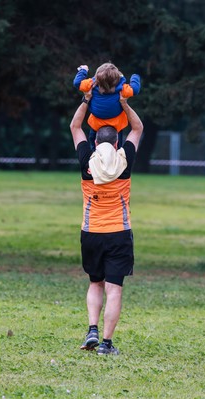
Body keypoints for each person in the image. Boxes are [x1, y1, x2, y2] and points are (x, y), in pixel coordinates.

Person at [69, 86, 144, 355]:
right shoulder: (124, 159)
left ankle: (92, 329)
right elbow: (137, 129)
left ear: (95, 143)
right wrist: (123, 103)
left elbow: (75, 126)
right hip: (119, 233)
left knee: (95, 283)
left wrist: (87, 100)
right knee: (115, 289)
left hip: (91, 233)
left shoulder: (86, 161)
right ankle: (107, 344)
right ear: (115, 144)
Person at [73, 62, 141, 150]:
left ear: (97, 78)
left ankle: (94, 155)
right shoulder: (122, 89)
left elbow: (77, 82)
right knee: (117, 146)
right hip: (116, 125)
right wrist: (135, 76)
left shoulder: (91, 85)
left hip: (96, 123)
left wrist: (83, 70)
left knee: (93, 143)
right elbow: (135, 89)